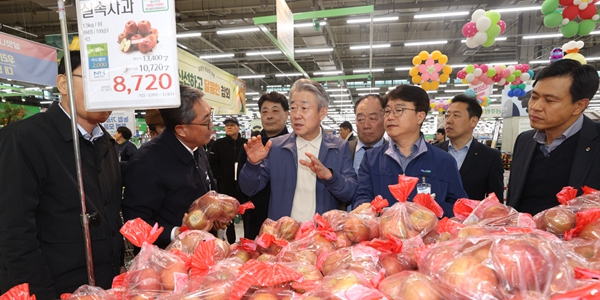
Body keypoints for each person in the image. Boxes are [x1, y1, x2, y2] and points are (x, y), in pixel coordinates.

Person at [0, 50, 124, 298]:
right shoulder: (24, 139)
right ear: (63, 83)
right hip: (54, 289)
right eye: (96, 81)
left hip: (105, 288)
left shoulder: (106, 144)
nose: (106, 92)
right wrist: (40, 293)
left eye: (114, 84)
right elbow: (13, 231)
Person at [239, 79, 357, 222]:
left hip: (321, 237)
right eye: (293, 108)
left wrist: (330, 177)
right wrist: (252, 164)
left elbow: (350, 192)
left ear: (322, 112)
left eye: (304, 108)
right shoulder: (276, 147)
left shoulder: (339, 147)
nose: (296, 115)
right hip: (284, 236)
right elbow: (249, 189)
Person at [122, 85, 217, 249]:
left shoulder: (196, 148)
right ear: (181, 129)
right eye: (205, 121)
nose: (212, 126)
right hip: (166, 261)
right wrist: (176, 233)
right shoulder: (146, 162)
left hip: (202, 252)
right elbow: (135, 223)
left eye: (210, 118)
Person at [352, 85, 467, 217]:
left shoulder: (444, 161)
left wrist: (432, 209)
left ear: (420, 116)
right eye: (387, 111)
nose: (390, 117)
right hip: (384, 235)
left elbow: (459, 207)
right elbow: (362, 196)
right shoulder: (372, 158)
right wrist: (367, 207)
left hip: (427, 236)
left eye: (398, 110)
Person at [507, 59, 600, 215]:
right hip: (522, 236)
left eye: (550, 101)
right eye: (534, 97)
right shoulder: (524, 140)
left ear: (579, 106)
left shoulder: (595, 141)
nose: (535, 107)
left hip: (578, 238)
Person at [237, 91, 290, 239]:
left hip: (288, 220)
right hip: (256, 218)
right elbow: (242, 187)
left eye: (275, 110)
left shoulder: (294, 146)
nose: (269, 116)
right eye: (264, 111)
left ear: (286, 114)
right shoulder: (250, 146)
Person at [435, 94, 504, 200]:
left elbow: (494, 201)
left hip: (471, 216)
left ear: (473, 121)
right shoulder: (434, 151)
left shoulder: (490, 157)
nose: (449, 120)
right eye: (447, 115)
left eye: (456, 115)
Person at [209, 116, 247, 243]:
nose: (229, 127)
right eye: (227, 125)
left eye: (232, 125)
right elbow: (212, 164)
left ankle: (247, 241)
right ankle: (231, 242)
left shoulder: (246, 143)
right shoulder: (218, 144)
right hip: (226, 187)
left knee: (247, 216)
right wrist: (221, 178)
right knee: (227, 217)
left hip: (244, 188)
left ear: (238, 127)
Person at [349, 94, 386, 173]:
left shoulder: (395, 153)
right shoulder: (342, 151)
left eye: (373, 119)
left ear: (385, 119)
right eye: (360, 119)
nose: (366, 126)